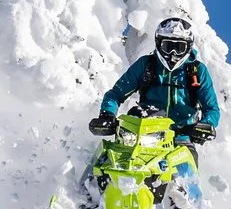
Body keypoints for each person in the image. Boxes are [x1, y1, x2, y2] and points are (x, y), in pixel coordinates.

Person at [90, 16, 220, 148]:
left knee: (185, 166)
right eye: (167, 46)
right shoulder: (146, 65)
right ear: (158, 44)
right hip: (144, 133)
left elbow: (211, 108)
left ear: (188, 47)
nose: (173, 53)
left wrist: (205, 125)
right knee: (109, 155)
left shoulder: (197, 71)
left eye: (179, 47)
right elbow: (116, 93)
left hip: (181, 138)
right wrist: (108, 114)